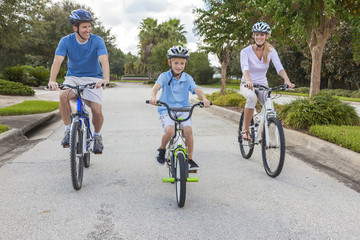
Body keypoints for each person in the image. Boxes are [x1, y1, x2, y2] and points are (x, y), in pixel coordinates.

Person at [48, 9, 110, 154]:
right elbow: (57, 61)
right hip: (73, 77)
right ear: (75, 28)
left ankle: (97, 136)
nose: (88, 30)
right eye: (84, 27)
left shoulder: (97, 40)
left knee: (96, 110)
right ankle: (68, 131)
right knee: (63, 96)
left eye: (89, 26)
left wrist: (105, 79)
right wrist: (52, 80)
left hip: (94, 78)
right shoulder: (66, 41)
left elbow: (104, 60)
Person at [149, 45, 211, 170]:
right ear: (169, 63)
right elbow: (156, 87)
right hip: (166, 109)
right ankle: (162, 149)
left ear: (185, 64)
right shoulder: (164, 76)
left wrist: (204, 99)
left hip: (183, 110)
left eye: (182, 63)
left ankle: (190, 159)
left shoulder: (187, 78)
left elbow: (197, 89)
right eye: (176, 62)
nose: (179, 66)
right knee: (170, 131)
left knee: (188, 131)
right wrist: (153, 97)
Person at [240, 22, 295, 140]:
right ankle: (245, 131)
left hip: (263, 85)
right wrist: (248, 80)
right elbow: (245, 68)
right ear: (254, 36)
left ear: (266, 36)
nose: (259, 37)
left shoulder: (271, 51)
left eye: (262, 35)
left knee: (269, 108)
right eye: (257, 35)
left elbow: (279, 67)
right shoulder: (245, 51)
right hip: (247, 84)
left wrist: (287, 80)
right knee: (252, 98)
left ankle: (263, 136)